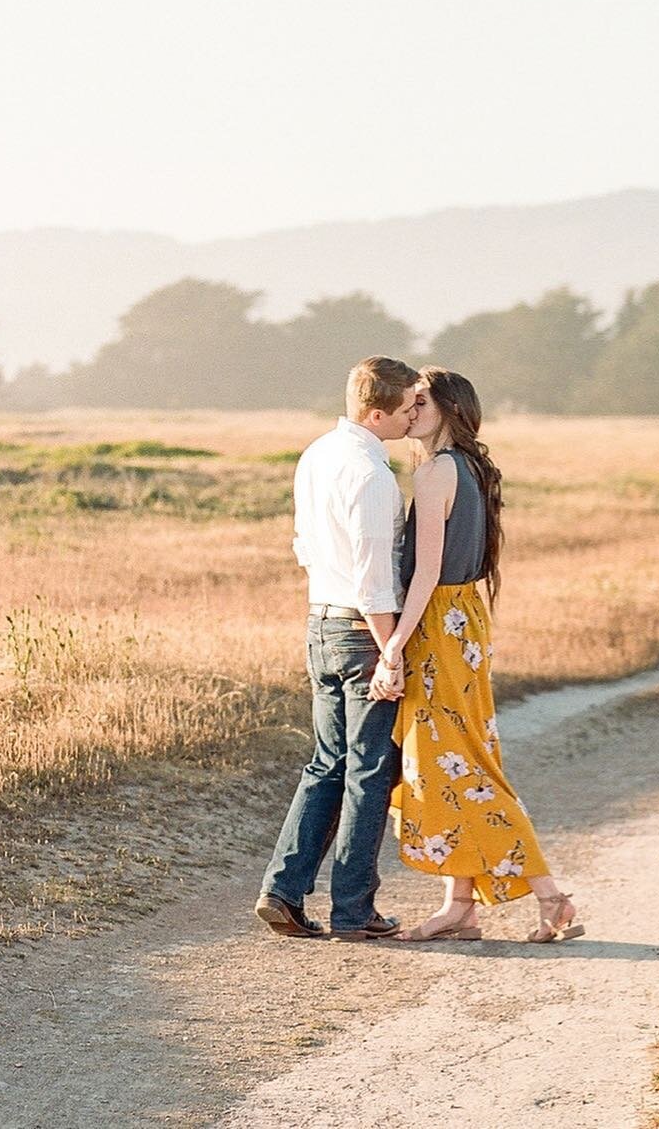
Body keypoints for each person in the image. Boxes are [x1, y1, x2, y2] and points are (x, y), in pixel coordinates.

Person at [370, 365, 582, 944]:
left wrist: (393, 646)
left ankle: (551, 896)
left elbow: (427, 573)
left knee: (462, 765)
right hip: (464, 620)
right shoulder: (469, 467)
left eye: (419, 404)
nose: (408, 413)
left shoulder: (439, 471)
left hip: (439, 621)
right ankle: (459, 907)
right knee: (456, 760)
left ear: (448, 410)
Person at [255, 355, 419, 941]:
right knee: (369, 771)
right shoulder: (372, 476)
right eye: (406, 410)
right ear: (377, 413)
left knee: (326, 763)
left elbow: (305, 544)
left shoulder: (317, 453)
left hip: (319, 621)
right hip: (360, 630)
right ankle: (354, 911)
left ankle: (283, 891)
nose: (412, 419)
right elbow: (375, 580)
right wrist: (391, 653)